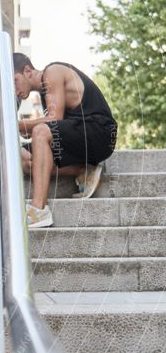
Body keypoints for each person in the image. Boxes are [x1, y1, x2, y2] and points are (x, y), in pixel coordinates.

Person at [13, 53, 117, 228]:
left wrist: (17, 124)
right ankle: (83, 170)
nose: (15, 91)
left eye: (15, 81)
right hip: (79, 137)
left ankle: (39, 210)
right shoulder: (45, 94)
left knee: (40, 131)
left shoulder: (52, 72)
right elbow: (57, 126)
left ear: (28, 71)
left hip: (100, 132)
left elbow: (54, 120)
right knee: (22, 159)